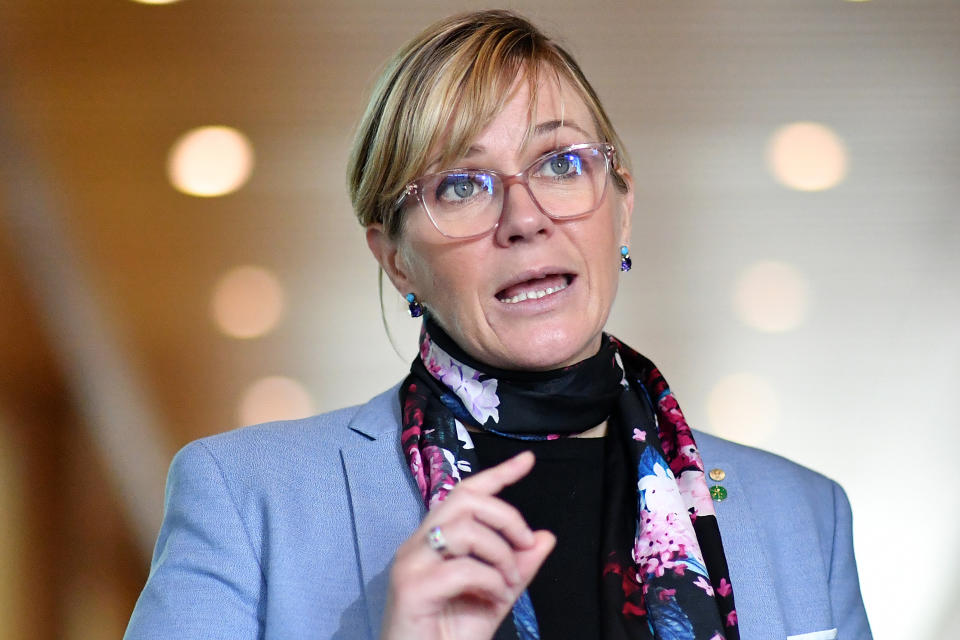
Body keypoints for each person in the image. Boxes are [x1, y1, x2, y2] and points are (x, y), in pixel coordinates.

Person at [124, 10, 872, 640]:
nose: (524, 219)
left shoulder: (804, 518)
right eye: (460, 184)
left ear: (622, 206)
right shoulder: (247, 498)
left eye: (558, 164)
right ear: (397, 261)